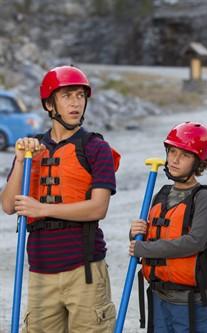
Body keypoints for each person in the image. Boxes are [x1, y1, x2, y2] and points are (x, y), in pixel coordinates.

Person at [1, 65, 119, 331]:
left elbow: (98, 208)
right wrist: (20, 161)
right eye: (67, 96)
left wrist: (42, 209)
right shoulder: (31, 147)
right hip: (41, 270)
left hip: (85, 270)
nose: (76, 103)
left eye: (80, 95)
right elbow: (8, 205)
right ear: (49, 104)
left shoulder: (96, 147)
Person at [130, 122, 207, 333]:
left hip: (191, 303)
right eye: (172, 151)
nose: (174, 159)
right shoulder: (161, 194)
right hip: (159, 297)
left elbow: (195, 242)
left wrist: (144, 249)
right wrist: (137, 234)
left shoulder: (203, 197)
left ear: (199, 163)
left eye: (184, 155)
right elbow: (151, 237)